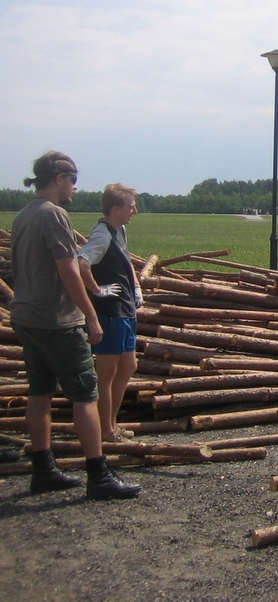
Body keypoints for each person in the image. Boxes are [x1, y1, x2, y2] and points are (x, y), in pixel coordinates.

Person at [11, 151, 141, 499]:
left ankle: (43, 469)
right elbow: (70, 269)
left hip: (26, 316)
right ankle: (98, 475)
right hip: (56, 319)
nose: (74, 186)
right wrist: (91, 313)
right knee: (85, 393)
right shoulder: (54, 216)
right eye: (72, 179)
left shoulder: (23, 215)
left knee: (39, 392)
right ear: (58, 179)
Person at [78, 183, 143, 443]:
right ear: (115, 208)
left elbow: (126, 260)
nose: (134, 211)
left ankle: (112, 424)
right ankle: (106, 431)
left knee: (129, 365)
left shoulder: (119, 231)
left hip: (125, 308)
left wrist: (136, 286)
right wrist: (96, 290)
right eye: (130, 206)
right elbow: (82, 263)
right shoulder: (102, 235)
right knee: (106, 374)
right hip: (110, 311)